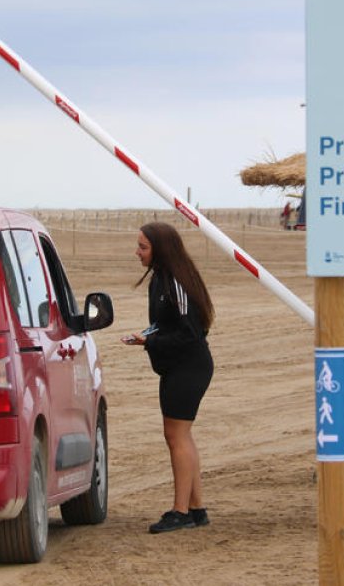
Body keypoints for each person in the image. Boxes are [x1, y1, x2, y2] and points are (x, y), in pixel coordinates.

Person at [122, 222, 214, 534]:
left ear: (161, 249)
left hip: (189, 366)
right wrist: (147, 336)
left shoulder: (175, 280)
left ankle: (180, 511)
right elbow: (169, 325)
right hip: (177, 366)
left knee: (176, 436)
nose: (137, 252)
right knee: (180, 436)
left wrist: (150, 341)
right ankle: (196, 507)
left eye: (143, 247)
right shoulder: (160, 279)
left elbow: (191, 333)